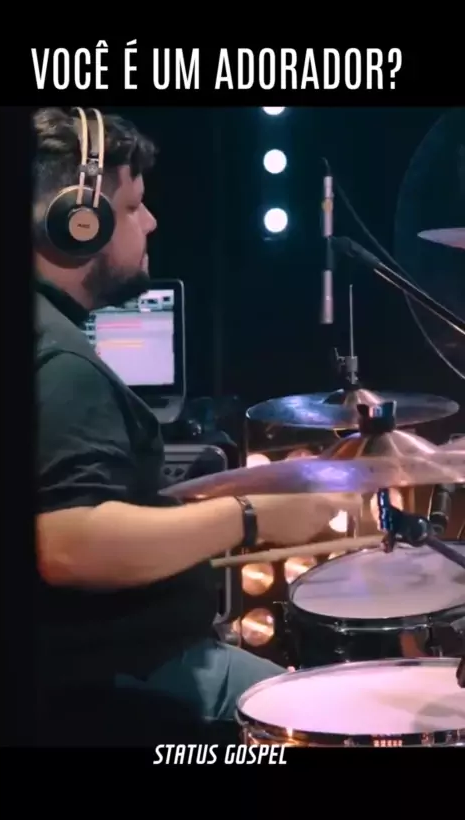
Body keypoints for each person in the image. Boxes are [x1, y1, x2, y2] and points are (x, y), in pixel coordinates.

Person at [34, 107, 346, 745]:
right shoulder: (62, 363)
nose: (151, 222)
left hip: (81, 670)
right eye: (132, 206)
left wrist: (217, 493)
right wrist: (251, 516)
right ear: (76, 221)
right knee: (328, 725)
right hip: (121, 682)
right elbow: (67, 543)